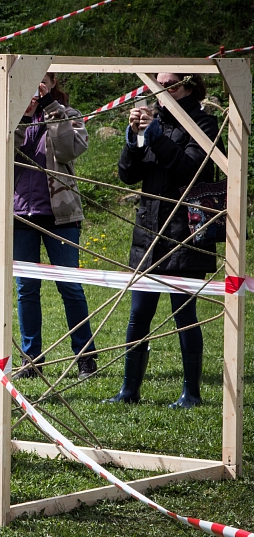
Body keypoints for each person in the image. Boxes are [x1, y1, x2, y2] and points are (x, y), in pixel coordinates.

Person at [106, 73, 219, 409]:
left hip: (184, 233)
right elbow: (128, 174)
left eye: (167, 84)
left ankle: (191, 394)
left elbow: (191, 168)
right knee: (139, 314)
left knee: (185, 315)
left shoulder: (205, 124)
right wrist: (133, 138)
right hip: (148, 232)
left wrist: (155, 136)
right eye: (156, 84)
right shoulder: (153, 123)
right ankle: (129, 390)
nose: (159, 91)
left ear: (186, 86)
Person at [0, 72, 97, 381]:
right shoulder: (8, 114)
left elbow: (68, 150)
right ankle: (31, 358)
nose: (35, 87)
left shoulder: (69, 115)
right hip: (19, 214)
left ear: (52, 83)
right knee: (27, 288)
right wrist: (18, 116)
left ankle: (85, 357)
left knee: (70, 287)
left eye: (43, 81)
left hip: (60, 216)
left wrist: (51, 108)